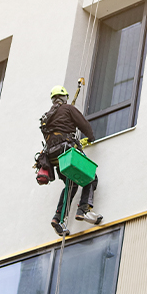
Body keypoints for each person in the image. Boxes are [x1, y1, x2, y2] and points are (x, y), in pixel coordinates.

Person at [37, 85, 103, 236]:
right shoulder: (68, 109)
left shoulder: (46, 117)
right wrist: (91, 138)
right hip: (66, 151)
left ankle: (57, 218)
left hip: (54, 158)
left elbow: (53, 135)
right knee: (91, 177)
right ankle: (83, 210)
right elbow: (83, 124)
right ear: (64, 97)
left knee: (71, 185)